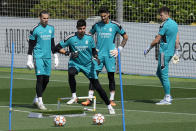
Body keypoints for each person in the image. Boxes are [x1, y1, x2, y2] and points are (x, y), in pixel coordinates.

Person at [55, 19, 115, 114]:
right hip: (75, 63)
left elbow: (94, 50)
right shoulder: (71, 38)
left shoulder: (89, 38)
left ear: (85, 28)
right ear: (76, 28)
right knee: (71, 72)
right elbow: (56, 47)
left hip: (88, 65)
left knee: (97, 86)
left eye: (83, 28)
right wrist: (68, 53)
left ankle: (109, 106)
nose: (82, 30)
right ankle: (74, 96)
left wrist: (96, 56)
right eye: (80, 29)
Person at [82, 6, 128, 106]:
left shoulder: (115, 25)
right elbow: (89, 36)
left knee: (111, 76)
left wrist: (119, 49)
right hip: (98, 55)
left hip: (110, 55)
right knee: (93, 75)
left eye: (104, 16)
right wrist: (92, 49)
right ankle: (89, 99)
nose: (103, 18)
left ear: (108, 14)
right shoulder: (97, 25)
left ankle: (111, 100)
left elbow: (125, 37)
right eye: (101, 16)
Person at [144, 6, 179, 105]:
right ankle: (167, 95)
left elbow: (157, 39)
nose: (160, 17)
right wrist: (177, 51)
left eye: (161, 15)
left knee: (163, 75)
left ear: (167, 14)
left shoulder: (165, 25)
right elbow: (177, 39)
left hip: (164, 53)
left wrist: (148, 48)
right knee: (158, 73)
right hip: (170, 52)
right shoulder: (175, 24)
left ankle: (168, 97)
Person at [27, 10, 59, 110]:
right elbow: (31, 45)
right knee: (40, 78)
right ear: (40, 18)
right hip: (38, 56)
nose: (46, 20)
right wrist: (29, 59)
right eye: (44, 18)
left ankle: (36, 98)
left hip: (47, 57)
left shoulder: (51, 29)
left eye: (47, 18)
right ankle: (40, 101)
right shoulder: (35, 29)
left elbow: (52, 44)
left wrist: (56, 56)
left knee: (46, 80)